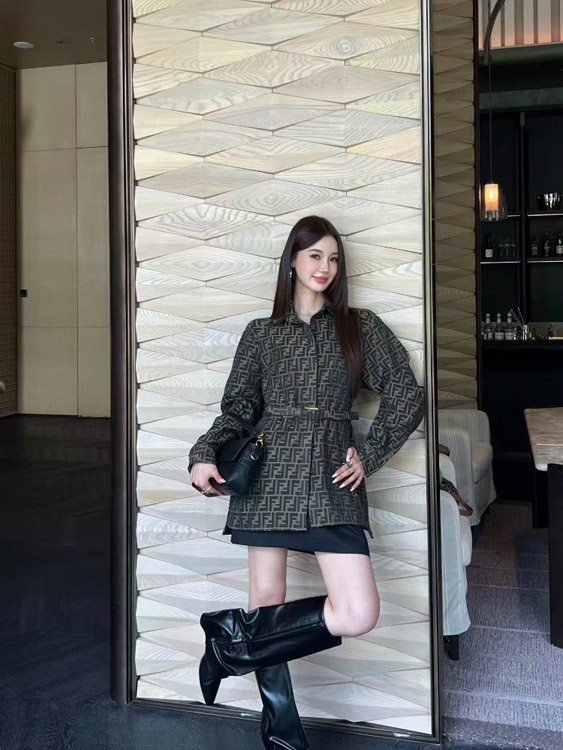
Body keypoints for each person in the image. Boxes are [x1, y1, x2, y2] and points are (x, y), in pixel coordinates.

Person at [188, 216, 424, 750]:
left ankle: (228, 643)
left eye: (333, 258)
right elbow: (238, 410)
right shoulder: (261, 334)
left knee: (357, 612)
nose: (325, 267)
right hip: (268, 480)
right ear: (292, 261)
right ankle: (282, 735)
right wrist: (203, 453)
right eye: (315, 255)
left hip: (331, 478)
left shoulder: (359, 327)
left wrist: (369, 454)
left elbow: (407, 394)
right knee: (266, 604)